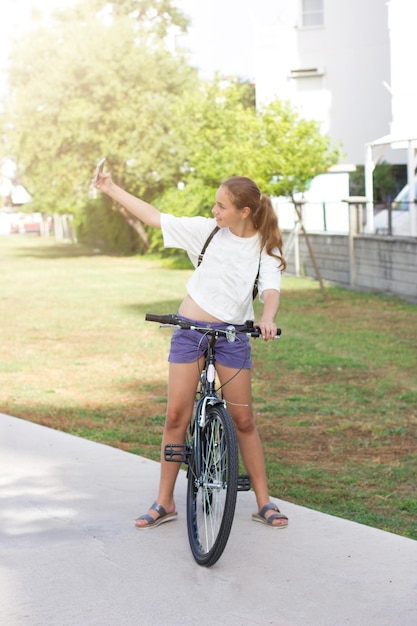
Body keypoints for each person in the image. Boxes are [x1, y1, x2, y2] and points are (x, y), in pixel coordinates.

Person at [94, 169, 288, 529]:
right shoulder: (207, 230)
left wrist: (268, 317)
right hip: (189, 332)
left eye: (222, 205)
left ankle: (264, 502)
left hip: (233, 337)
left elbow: (271, 290)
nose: (214, 210)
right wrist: (110, 187)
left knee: (244, 420)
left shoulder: (264, 245)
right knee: (176, 417)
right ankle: (164, 502)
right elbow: (154, 217)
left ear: (244, 211)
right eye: (215, 203)